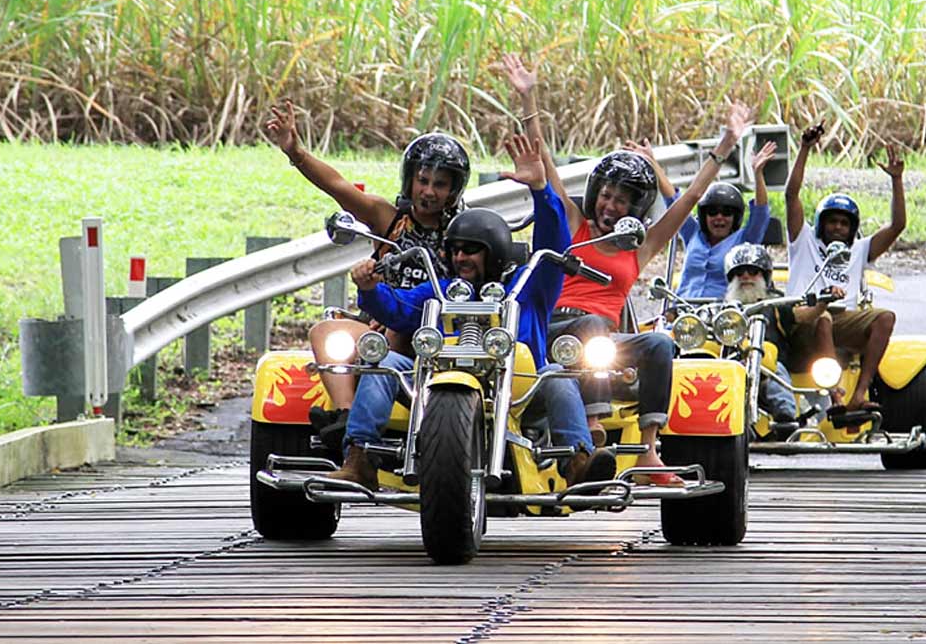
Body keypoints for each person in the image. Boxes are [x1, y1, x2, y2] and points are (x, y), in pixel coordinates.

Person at [500, 53, 754, 486]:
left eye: (621, 201)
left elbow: (691, 198)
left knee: (658, 343)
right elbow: (544, 164)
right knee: (594, 324)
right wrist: (528, 98)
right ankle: (593, 428)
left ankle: (648, 451)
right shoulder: (575, 225)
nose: (610, 205)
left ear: (634, 210)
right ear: (595, 195)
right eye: (606, 195)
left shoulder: (639, 248)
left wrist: (728, 142)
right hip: (555, 329)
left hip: (603, 341)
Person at [326, 134, 616, 490]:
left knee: (556, 375)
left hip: (520, 390)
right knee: (386, 364)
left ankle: (578, 460)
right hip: (436, 381)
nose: (461, 257)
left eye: (472, 250)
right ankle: (358, 458)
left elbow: (554, 244)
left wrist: (541, 189)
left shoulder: (527, 287)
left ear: (494, 252)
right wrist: (370, 288)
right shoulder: (441, 290)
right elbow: (398, 309)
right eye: (456, 250)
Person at [264, 101, 469, 417]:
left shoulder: (464, 230)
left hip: (441, 338)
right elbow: (338, 187)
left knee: (398, 331)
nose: (428, 191)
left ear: (454, 190)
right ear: (410, 180)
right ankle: (344, 417)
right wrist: (295, 152)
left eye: (440, 184)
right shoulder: (388, 218)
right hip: (381, 333)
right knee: (325, 333)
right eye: (423, 180)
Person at [783, 122, 907, 412]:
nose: (838, 227)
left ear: (852, 229)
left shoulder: (860, 249)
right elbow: (791, 196)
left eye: (844, 223)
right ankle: (835, 395)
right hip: (803, 319)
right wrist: (804, 149)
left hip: (842, 320)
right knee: (823, 317)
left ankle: (859, 394)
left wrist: (897, 180)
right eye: (832, 221)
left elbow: (898, 226)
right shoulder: (803, 239)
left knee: (885, 318)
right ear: (820, 224)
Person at [722, 243, 844, 432]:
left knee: (776, 370)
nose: (745, 276)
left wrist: (823, 302)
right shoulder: (722, 309)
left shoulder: (776, 304)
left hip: (768, 365)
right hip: (731, 365)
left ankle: (786, 419)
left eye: (753, 271)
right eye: (739, 272)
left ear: (765, 276)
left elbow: (805, 315)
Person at [667, 140, 778, 300]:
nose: (719, 217)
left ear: (735, 217)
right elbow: (674, 203)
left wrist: (758, 173)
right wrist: (652, 163)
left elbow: (760, 215)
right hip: (684, 308)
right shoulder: (692, 233)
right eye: (712, 212)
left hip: (721, 310)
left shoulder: (744, 241)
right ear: (704, 216)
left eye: (727, 212)